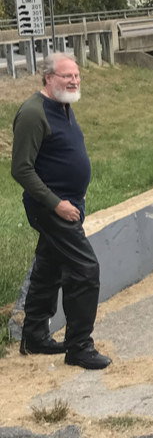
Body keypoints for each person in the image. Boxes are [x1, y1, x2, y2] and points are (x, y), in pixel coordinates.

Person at [11, 53, 109, 369]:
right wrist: (57, 203)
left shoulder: (64, 106)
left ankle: (35, 336)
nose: (74, 81)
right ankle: (80, 347)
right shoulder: (32, 113)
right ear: (48, 77)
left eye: (76, 75)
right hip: (49, 208)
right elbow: (21, 170)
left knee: (49, 267)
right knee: (85, 269)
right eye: (67, 76)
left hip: (69, 206)